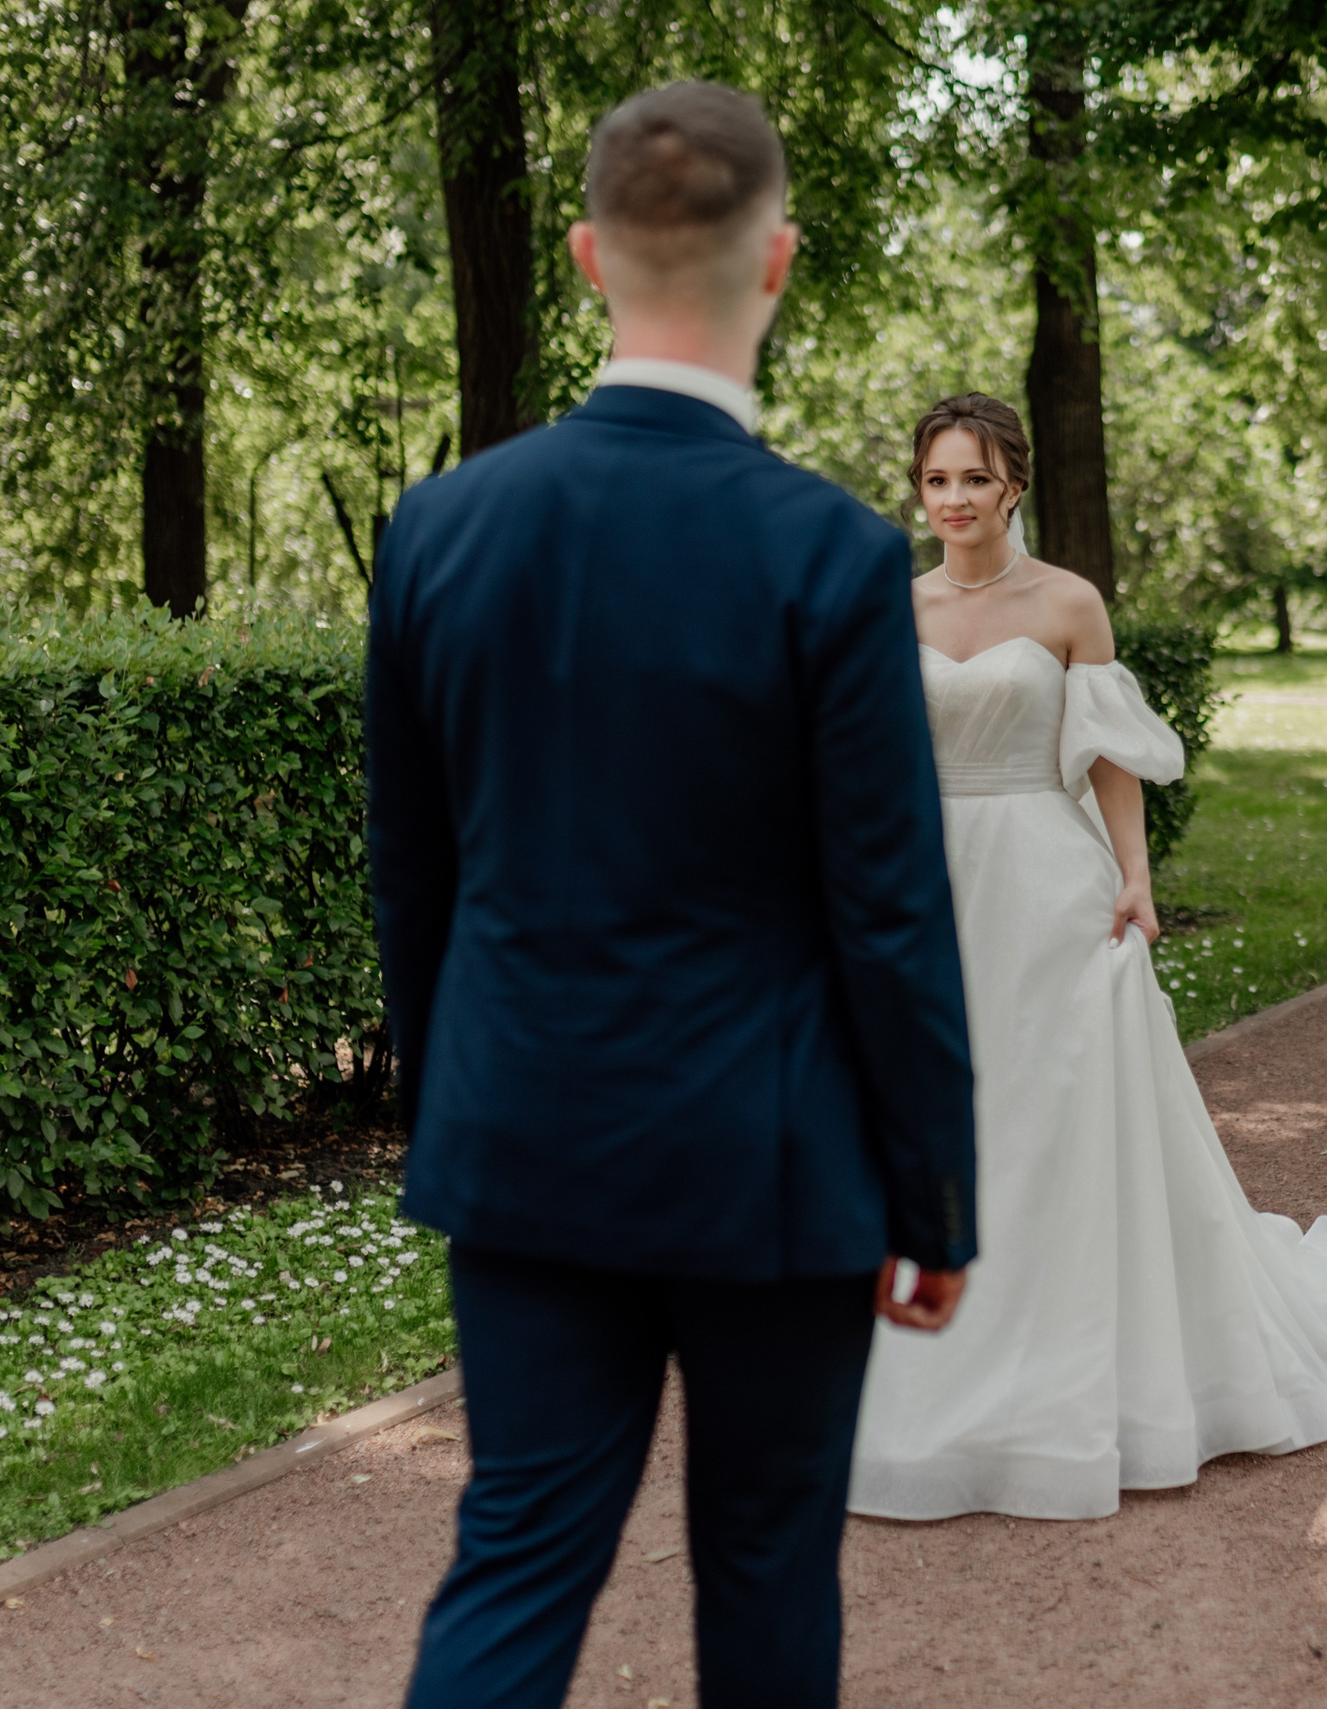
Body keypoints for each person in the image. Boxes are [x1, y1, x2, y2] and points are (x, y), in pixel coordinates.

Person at [366, 82, 976, 1709]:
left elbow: (411, 877)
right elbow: (890, 909)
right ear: (776, 262)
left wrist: (458, 1122)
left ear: (582, 256)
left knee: (515, 1548)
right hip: (771, 1162)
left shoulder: (436, 531)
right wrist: (934, 1194)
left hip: (519, 1143)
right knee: (769, 1559)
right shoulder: (831, 554)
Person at [846, 394, 1327, 1523]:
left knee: (1054, 1112)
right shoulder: (890, 606)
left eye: (976, 479)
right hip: (929, 884)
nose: (954, 499)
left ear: (1014, 487)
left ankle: (1083, 1358)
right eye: (937, 479)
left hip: (1051, 885)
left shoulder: (1066, 601)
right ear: (920, 488)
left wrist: (1133, 874)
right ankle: (932, 1355)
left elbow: (1106, 757)